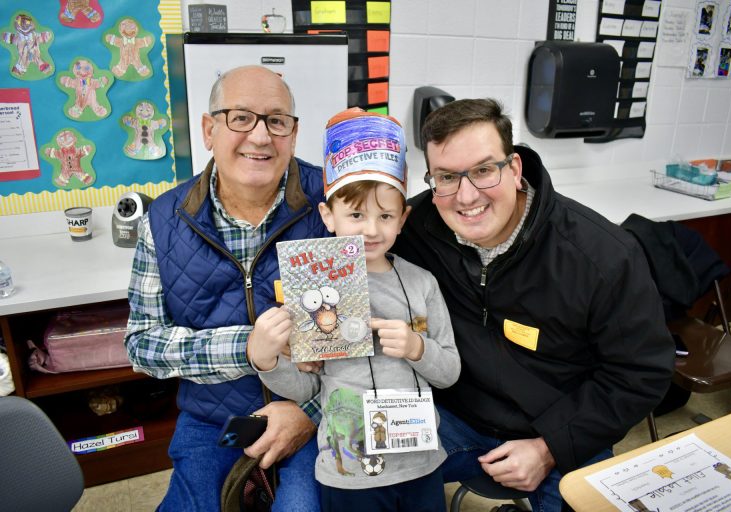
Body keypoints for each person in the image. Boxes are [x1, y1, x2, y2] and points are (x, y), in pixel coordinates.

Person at [393, 98, 675, 512]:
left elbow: (641, 372)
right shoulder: (416, 228)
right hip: (453, 418)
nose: (466, 195)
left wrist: (549, 447)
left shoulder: (602, 256)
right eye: (447, 177)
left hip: (564, 427)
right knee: (362, 470)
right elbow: (356, 227)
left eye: (484, 170)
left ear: (515, 168)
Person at [125, 65, 329, 511]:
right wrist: (247, 349)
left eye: (276, 120)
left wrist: (310, 413)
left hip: (319, 408)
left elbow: (373, 329)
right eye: (240, 117)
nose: (260, 137)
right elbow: (142, 343)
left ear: (293, 135)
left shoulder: (334, 205)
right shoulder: (163, 220)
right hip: (211, 416)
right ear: (208, 129)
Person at [250, 108, 461, 511]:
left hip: (421, 464)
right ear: (329, 217)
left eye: (385, 215)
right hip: (348, 472)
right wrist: (266, 359)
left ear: (403, 219)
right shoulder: (314, 286)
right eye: (356, 214)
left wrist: (418, 347)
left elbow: (449, 372)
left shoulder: (422, 283)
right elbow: (307, 388)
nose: (371, 229)